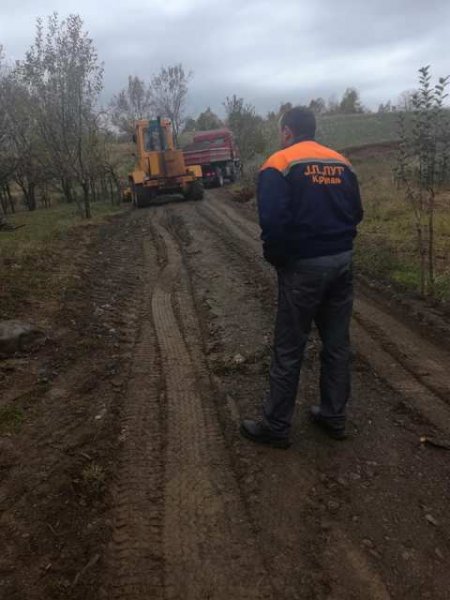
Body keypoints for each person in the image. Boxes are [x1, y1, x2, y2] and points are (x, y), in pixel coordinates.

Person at [240, 106, 363, 449]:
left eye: (281, 131)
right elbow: (357, 212)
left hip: (303, 267)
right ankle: (333, 416)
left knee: (290, 346)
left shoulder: (278, 164)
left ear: (287, 132)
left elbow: (273, 222)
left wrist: (279, 259)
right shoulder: (342, 163)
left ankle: (276, 425)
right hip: (342, 261)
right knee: (337, 344)